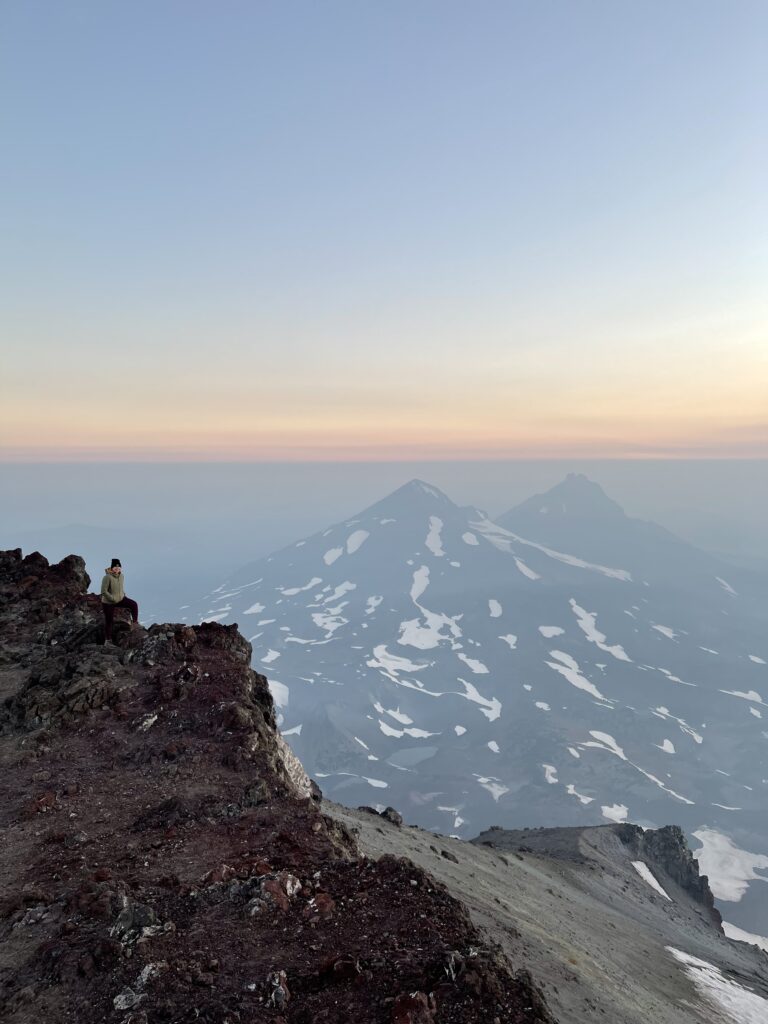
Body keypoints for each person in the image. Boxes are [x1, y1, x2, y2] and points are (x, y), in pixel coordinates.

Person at [100, 558, 139, 643]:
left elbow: (120, 587)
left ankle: (135, 624)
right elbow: (103, 591)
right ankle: (108, 640)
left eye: (119, 567)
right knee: (109, 621)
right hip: (108, 602)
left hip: (120, 599)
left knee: (133, 604)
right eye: (115, 567)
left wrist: (122, 594)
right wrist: (112, 598)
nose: (117, 568)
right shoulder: (107, 577)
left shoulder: (121, 576)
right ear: (112, 568)